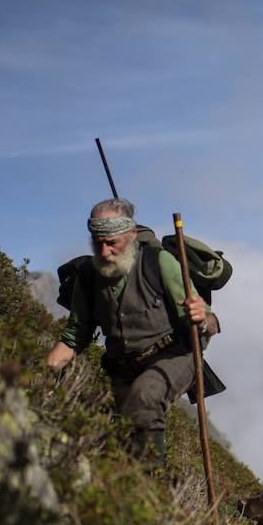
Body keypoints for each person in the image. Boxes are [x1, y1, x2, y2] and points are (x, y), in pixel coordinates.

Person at [45, 198, 220, 466]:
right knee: (124, 435)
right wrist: (42, 372)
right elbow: (75, 336)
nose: (104, 252)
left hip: (173, 356)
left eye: (111, 242)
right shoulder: (89, 276)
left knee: (145, 397)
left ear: (131, 235)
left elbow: (211, 321)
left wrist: (202, 317)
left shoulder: (160, 262)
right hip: (123, 369)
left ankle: (151, 488)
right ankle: (132, 492)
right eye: (97, 242)